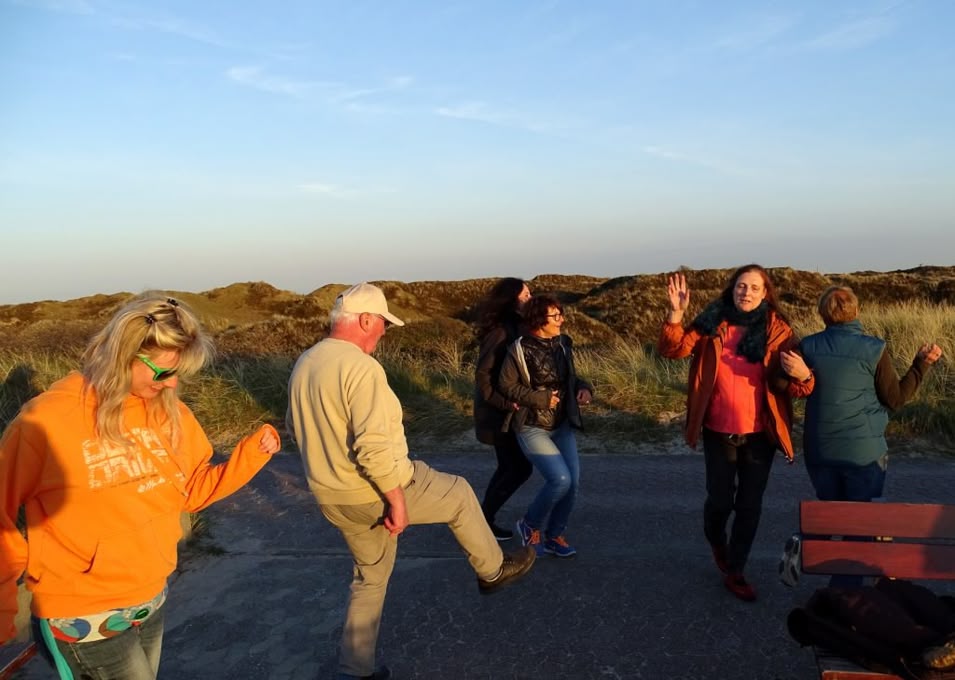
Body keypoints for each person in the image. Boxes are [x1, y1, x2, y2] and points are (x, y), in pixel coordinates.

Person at [0, 293, 281, 680]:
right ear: (124, 355)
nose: (173, 383)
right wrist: (4, 606)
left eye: (179, 372)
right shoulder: (45, 421)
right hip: (84, 615)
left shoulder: (169, 411)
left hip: (151, 599)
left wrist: (247, 458)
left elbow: (190, 492)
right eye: (163, 372)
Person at [286, 282, 535, 680]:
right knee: (458, 493)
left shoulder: (307, 362)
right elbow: (372, 447)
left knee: (369, 578)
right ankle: (492, 571)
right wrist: (396, 500)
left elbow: (294, 427)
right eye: (382, 323)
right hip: (375, 488)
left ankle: (355, 670)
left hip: (332, 497)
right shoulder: (361, 368)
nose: (384, 332)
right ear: (364, 320)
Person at [657, 266, 813, 602]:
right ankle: (717, 542)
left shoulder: (778, 330)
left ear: (765, 293)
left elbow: (802, 387)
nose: (747, 292)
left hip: (760, 434)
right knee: (720, 501)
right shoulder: (712, 321)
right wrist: (676, 313)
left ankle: (736, 569)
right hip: (718, 430)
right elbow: (673, 350)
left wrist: (804, 375)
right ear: (732, 289)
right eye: (742, 286)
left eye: (755, 287)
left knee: (749, 505)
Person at [781, 286, 942, 502]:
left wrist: (805, 376)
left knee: (827, 515)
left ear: (821, 314)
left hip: (820, 450)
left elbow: (780, 383)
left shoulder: (807, 346)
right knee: (861, 518)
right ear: (857, 312)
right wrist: (921, 365)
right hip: (864, 454)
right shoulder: (874, 349)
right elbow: (895, 399)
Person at [498, 294, 593, 559]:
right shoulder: (519, 349)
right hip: (532, 425)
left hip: (561, 424)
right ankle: (530, 525)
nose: (561, 319)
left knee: (573, 482)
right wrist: (539, 399)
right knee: (560, 479)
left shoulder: (563, 344)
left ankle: (554, 536)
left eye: (561, 313)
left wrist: (584, 388)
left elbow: (571, 377)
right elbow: (506, 386)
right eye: (555, 315)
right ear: (539, 320)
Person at [473, 277, 534, 541]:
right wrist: (504, 403)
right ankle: (482, 521)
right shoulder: (500, 332)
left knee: (509, 467)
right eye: (526, 295)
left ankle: (482, 519)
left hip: (508, 411)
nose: (530, 299)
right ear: (511, 300)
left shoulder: (517, 327)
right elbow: (483, 376)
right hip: (497, 414)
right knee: (518, 468)